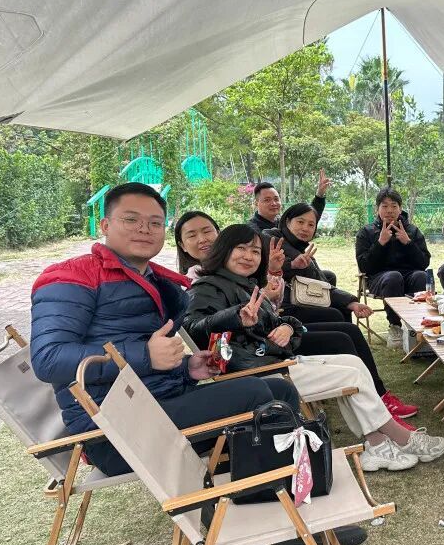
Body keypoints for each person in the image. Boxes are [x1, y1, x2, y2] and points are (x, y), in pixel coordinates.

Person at [30, 183, 301, 479]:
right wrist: (146, 355)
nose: (144, 229)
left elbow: (144, 359)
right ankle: (272, 486)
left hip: (159, 402)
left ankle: (281, 477)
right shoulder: (72, 276)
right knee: (255, 393)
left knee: (281, 390)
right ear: (105, 225)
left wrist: (186, 368)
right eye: (131, 219)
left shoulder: (150, 280)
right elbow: (48, 360)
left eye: (155, 223)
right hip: (113, 431)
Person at [184, 224, 444, 473]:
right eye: (240, 249)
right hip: (259, 376)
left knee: (353, 363)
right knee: (351, 375)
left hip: (275, 362)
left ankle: (376, 444)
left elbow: (280, 323)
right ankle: (400, 437)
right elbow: (193, 326)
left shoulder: (245, 284)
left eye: (255, 251)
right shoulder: (208, 286)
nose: (248, 256)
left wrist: (288, 329)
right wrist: (234, 317)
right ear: (224, 250)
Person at [174, 212, 420, 422]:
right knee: (343, 341)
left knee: (344, 331)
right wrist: (238, 315)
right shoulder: (203, 282)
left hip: (271, 345)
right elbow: (200, 327)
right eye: (192, 235)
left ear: (219, 235)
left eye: (207, 231)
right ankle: (381, 417)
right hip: (262, 361)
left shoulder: (240, 277)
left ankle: (380, 413)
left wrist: (285, 317)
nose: (203, 239)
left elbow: (270, 310)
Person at [271, 201, 374, 323]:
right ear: (288, 221)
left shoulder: (301, 250)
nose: (305, 228)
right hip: (279, 308)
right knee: (336, 315)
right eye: (300, 222)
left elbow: (321, 282)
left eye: (311, 225)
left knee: (341, 309)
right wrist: (292, 265)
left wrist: (352, 303)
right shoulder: (271, 239)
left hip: (299, 299)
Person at [355, 187, 432, 347]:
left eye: (394, 206)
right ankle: (395, 327)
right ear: (377, 209)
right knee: (393, 277)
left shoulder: (412, 231)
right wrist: (380, 243)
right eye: (384, 206)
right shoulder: (366, 232)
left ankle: (416, 325)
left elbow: (424, 263)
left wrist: (408, 243)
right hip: (380, 278)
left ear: (400, 209)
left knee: (422, 276)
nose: (389, 210)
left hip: (410, 276)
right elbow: (364, 266)